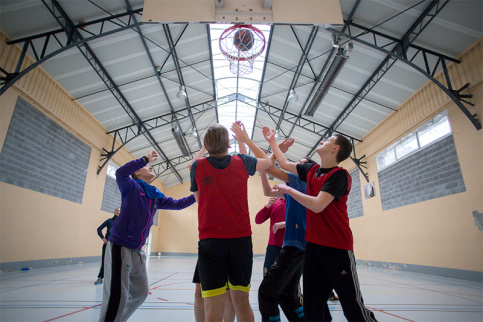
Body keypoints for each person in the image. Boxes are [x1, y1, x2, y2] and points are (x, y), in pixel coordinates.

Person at [263, 128, 377, 322]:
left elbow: (317, 205)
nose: (323, 141)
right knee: (312, 308)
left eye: (328, 140)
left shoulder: (339, 175)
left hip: (337, 250)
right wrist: (272, 141)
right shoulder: (312, 171)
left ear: (335, 149)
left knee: (353, 308)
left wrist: (289, 190)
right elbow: (282, 163)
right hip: (313, 249)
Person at [98, 150, 196, 322]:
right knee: (117, 297)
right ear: (137, 172)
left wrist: (198, 193)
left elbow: (179, 204)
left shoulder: (155, 196)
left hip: (137, 250)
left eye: (149, 165)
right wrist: (144, 159)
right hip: (119, 247)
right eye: (146, 166)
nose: (150, 167)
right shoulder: (130, 186)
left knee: (140, 293)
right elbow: (120, 172)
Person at [190, 122, 272, 322]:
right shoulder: (242, 161)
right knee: (241, 302)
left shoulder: (197, 166)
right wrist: (245, 139)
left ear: (206, 145)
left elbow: (199, 199)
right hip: (240, 242)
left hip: (210, 242)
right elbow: (268, 162)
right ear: (229, 143)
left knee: (212, 306)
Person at [255, 197, 286, 276]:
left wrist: (285, 224)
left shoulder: (296, 200)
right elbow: (258, 220)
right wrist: (267, 206)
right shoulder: (276, 202)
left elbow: (304, 220)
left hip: (290, 246)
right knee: (268, 276)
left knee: (290, 279)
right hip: (273, 246)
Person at [94, 207, 120, 285]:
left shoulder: (122, 222)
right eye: (117, 211)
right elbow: (99, 229)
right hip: (108, 244)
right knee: (105, 260)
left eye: (120, 211)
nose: (118, 212)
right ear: (114, 212)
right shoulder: (109, 221)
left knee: (116, 262)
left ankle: (114, 279)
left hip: (117, 245)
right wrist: (103, 239)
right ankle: (100, 277)